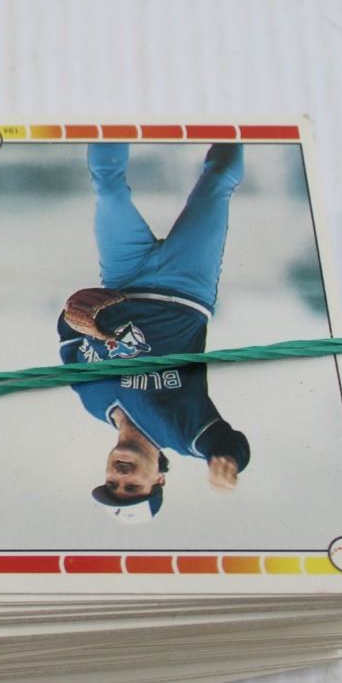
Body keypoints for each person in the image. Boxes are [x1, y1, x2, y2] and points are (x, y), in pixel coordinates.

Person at [57, 142, 250, 523]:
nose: (120, 478)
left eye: (112, 484)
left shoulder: (92, 401)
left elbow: (68, 334)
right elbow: (223, 443)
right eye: (132, 488)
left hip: (123, 277)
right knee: (219, 178)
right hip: (187, 283)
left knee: (108, 187)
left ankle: (109, 116)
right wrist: (226, 460)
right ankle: (234, 122)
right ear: (159, 479)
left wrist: (75, 316)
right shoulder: (179, 432)